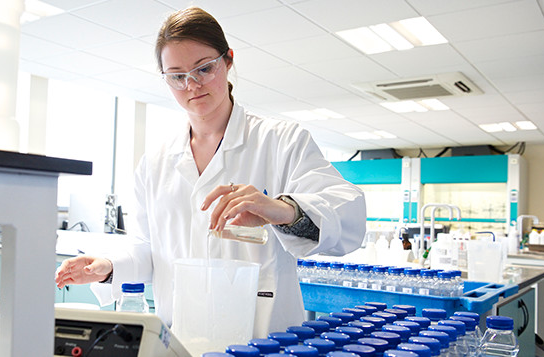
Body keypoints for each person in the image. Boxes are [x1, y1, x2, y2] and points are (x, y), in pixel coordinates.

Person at [55, 6, 366, 337]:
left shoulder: (281, 141)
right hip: (181, 338)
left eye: (204, 69)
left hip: (261, 338)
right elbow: (149, 247)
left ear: (228, 60)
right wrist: (109, 267)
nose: (192, 85)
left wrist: (283, 210)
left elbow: (349, 210)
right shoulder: (155, 162)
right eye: (177, 76)